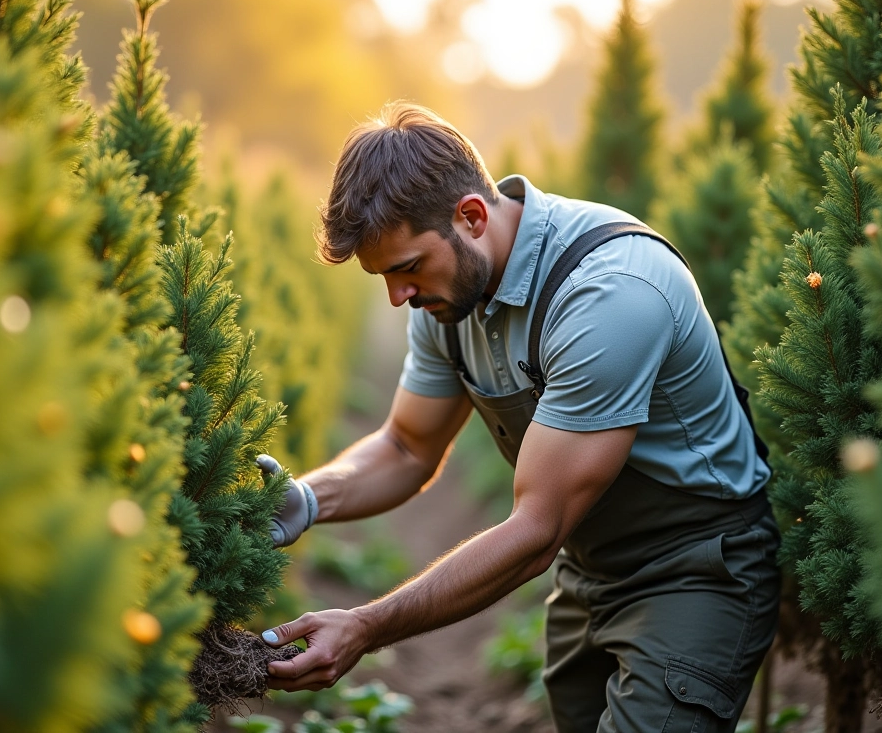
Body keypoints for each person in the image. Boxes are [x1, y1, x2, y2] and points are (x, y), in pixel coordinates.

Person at [257, 102, 779, 733]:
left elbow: (537, 528)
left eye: (406, 269)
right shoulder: (445, 299)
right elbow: (405, 446)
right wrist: (309, 498)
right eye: (383, 278)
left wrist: (366, 626)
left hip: (697, 566)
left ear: (471, 217)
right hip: (589, 566)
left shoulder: (608, 293)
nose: (399, 297)